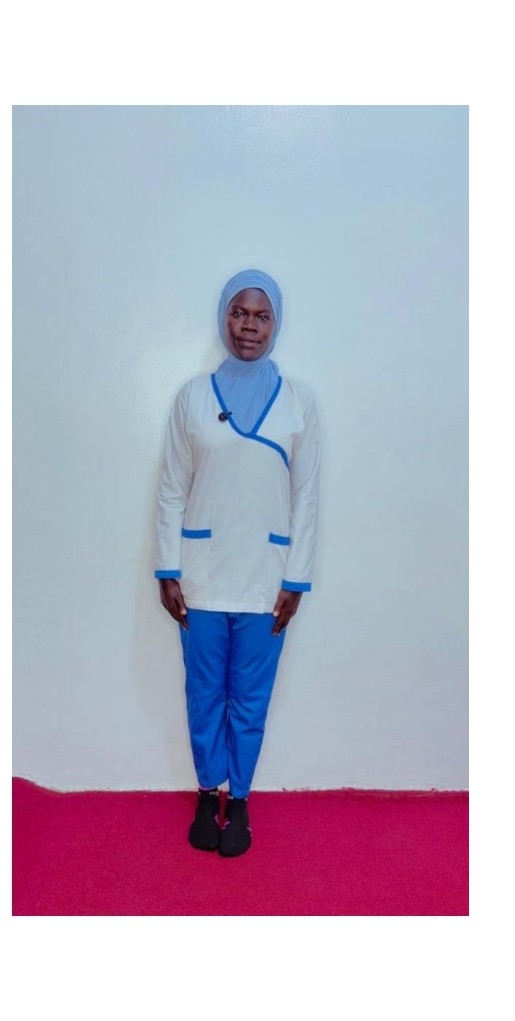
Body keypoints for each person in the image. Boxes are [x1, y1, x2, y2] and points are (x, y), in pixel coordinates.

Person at [155, 269, 320, 857]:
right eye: (239, 313)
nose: (249, 326)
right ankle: (208, 794)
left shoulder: (298, 403)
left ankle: (241, 801)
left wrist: (296, 579)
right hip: (200, 577)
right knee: (204, 694)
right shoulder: (193, 398)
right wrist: (167, 569)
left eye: (261, 316)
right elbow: (172, 488)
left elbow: (306, 497)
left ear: (276, 323)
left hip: (266, 583)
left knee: (250, 698)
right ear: (223, 317)